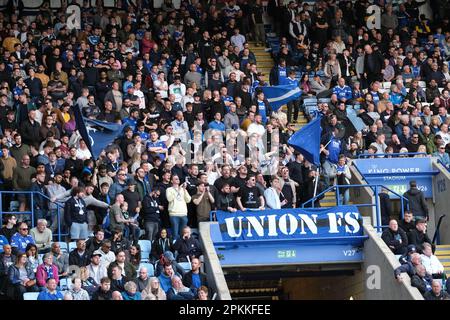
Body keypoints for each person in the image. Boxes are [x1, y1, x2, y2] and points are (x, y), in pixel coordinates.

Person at [166, 175, 191, 240]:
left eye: (178, 178)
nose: (178, 180)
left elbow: (188, 200)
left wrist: (184, 190)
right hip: (174, 214)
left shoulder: (183, 189)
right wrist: (178, 190)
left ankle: (182, 248)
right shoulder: (169, 189)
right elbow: (169, 199)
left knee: (183, 234)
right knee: (175, 234)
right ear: (172, 181)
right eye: (175, 179)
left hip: (183, 214)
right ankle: (175, 249)